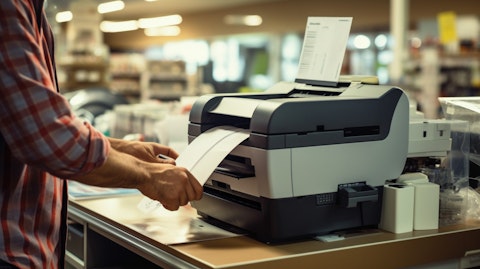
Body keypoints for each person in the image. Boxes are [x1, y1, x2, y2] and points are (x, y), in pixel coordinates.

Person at [0, 0, 203, 268]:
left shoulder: (36, 14)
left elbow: (27, 122)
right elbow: (46, 137)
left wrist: (122, 149)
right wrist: (147, 175)